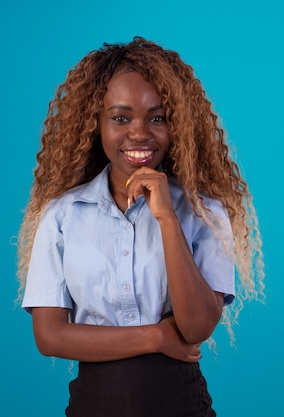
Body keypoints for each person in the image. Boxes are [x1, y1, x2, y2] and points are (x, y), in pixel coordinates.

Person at [17, 36, 264, 417]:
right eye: (120, 117)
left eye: (157, 117)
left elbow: (197, 328)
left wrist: (167, 217)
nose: (139, 133)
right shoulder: (63, 215)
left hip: (181, 405)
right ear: (95, 124)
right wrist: (157, 336)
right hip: (91, 406)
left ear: (176, 124)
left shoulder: (206, 212)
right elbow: (50, 337)